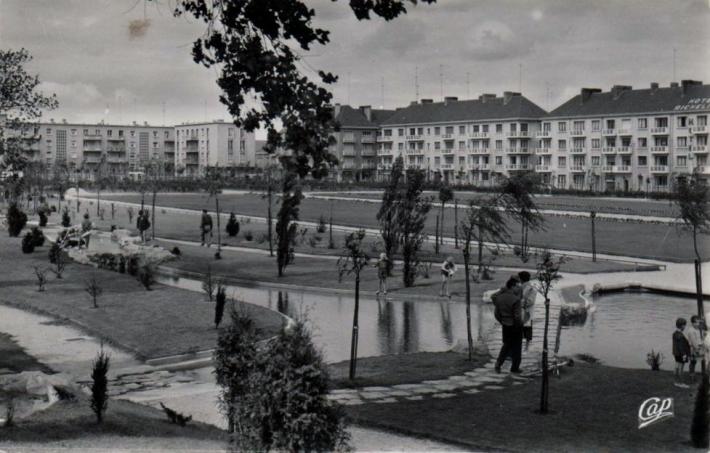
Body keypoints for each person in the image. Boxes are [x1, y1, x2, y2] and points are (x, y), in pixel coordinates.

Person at [492, 277, 524, 373]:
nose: (519, 288)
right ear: (513, 286)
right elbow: (517, 316)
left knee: (506, 346)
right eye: (517, 286)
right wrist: (520, 325)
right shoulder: (516, 299)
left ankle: (498, 364)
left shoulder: (499, 297)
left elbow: (496, 313)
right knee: (517, 347)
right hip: (515, 326)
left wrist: (502, 321)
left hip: (505, 325)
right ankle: (515, 368)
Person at [518, 271, 538, 350]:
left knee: (527, 328)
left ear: (521, 279)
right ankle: (519, 346)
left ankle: (527, 347)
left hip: (527, 311)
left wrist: (519, 303)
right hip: (519, 311)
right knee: (519, 329)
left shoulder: (531, 289)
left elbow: (530, 301)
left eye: (519, 278)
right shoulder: (520, 287)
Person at [687, 315, 707, 381]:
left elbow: (699, 338)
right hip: (694, 348)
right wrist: (697, 349)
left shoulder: (697, 329)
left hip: (699, 347)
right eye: (697, 323)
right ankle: (691, 375)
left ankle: (703, 373)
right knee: (693, 362)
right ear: (692, 323)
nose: (698, 324)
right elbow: (693, 341)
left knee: (700, 360)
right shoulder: (691, 331)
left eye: (699, 323)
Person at [673, 317, 691, 387]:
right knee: (681, 368)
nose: (685, 327)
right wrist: (684, 355)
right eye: (685, 325)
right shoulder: (680, 335)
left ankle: (676, 381)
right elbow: (681, 346)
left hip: (676, 353)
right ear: (682, 326)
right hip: (681, 354)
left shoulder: (674, 333)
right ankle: (681, 383)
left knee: (676, 366)